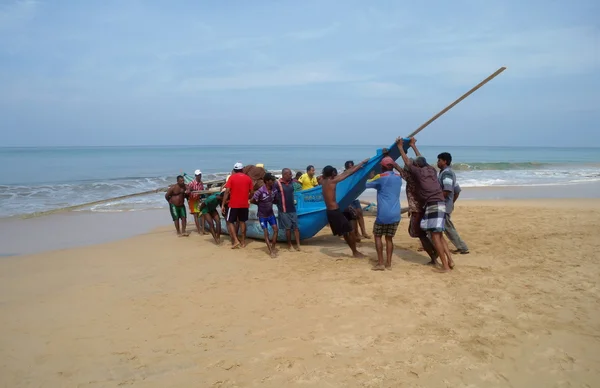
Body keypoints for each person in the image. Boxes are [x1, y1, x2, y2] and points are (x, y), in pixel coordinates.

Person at [397, 137, 455, 272]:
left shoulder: (417, 172)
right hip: (441, 203)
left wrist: (400, 147)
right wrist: (413, 145)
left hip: (432, 204)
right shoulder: (431, 170)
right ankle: (450, 261)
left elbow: (406, 162)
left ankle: (445, 266)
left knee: (435, 236)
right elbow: (420, 159)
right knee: (439, 235)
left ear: (416, 166)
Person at [392, 157, 439, 265]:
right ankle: (435, 252)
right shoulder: (424, 176)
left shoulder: (412, 178)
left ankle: (434, 257)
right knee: (426, 233)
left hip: (417, 210)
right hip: (424, 207)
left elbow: (400, 170)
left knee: (420, 235)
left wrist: (391, 160)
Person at [321, 159, 369, 258]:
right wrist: (361, 163)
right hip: (335, 211)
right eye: (334, 172)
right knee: (350, 231)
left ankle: (354, 251)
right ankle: (355, 252)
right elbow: (348, 173)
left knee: (345, 233)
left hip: (329, 212)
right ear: (332, 173)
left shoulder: (323, 181)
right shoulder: (332, 181)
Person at [366, 156, 402, 270]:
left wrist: (370, 177)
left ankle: (381, 263)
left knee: (377, 236)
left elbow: (367, 184)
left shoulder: (380, 177)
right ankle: (389, 264)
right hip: (396, 213)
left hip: (383, 214)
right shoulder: (399, 177)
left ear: (383, 166)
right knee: (389, 239)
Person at [437, 152, 470, 254]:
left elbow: (447, 190)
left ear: (445, 161)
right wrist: (451, 202)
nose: (437, 162)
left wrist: (440, 201)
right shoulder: (447, 172)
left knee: (447, 227)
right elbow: (457, 190)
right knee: (441, 227)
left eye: (439, 160)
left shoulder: (447, 173)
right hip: (446, 204)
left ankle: (462, 247)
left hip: (443, 205)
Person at [221, 162, 254, 249]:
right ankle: (243, 242)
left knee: (230, 221)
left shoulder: (232, 178)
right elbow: (252, 192)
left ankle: (235, 240)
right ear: (242, 169)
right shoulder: (248, 178)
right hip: (244, 204)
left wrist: (223, 204)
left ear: (234, 170)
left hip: (234, 204)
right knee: (243, 222)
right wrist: (247, 198)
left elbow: (227, 191)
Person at [251, 173, 279, 257]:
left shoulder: (274, 190)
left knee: (275, 230)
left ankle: (273, 246)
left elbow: (275, 199)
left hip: (271, 214)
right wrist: (259, 204)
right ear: (267, 181)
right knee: (266, 232)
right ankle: (270, 251)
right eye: (271, 180)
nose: (273, 181)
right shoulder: (260, 191)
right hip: (262, 216)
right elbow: (252, 200)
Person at [344, 160, 371, 241]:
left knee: (360, 213)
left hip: (355, 197)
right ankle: (356, 233)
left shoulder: (355, 173)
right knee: (354, 216)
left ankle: (364, 232)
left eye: (352, 166)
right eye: (349, 167)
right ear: (346, 168)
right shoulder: (345, 175)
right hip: (348, 198)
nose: (351, 168)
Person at [275, 168, 301, 251]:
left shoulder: (292, 182)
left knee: (296, 228)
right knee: (288, 228)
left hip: (292, 209)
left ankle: (298, 245)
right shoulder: (277, 183)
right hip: (284, 210)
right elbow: (273, 195)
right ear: (285, 174)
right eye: (289, 174)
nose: (291, 175)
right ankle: (290, 245)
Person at [186, 169, 205, 235]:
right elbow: (187, 188)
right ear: (195, 176)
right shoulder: (192, 183)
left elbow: (202, 190)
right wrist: (190, 190)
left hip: (198, 200)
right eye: (197, 175)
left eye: (200, 175)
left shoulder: (201, 183)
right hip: (192, 200)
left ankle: (203, 229)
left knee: (202, 214)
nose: (199, 176)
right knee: (196, 215)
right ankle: (199, 230)